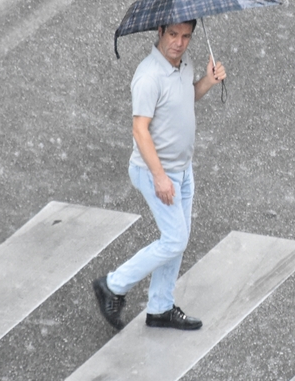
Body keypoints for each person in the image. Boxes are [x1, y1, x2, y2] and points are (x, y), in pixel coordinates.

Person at [93, 20, 225, 330]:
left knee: (176, 240)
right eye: (173, 35)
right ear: (160, 32)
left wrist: (207, 81)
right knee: (175, 239)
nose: (179, 43)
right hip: (156, 172)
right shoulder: (149, 76)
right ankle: (112, 285)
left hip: (182, 169)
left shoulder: (184, 64)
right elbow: (139, 129)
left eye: (186, 36)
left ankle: (160, 307)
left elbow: (184, 99)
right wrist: (160, 177)